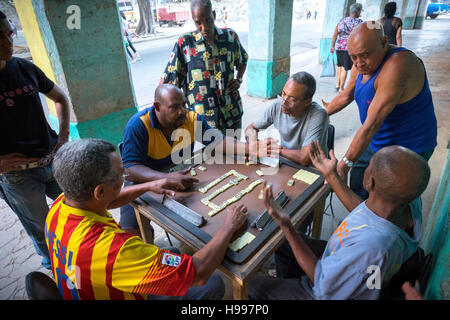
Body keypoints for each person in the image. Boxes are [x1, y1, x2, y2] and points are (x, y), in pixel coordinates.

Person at [46, 138, 249, 300]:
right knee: (213, 284)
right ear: (99, 191)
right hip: (125, 290)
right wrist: (228, 226)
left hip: (88, 285)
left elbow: (107, 201)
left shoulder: (61, 205)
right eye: (121, 175)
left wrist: (148, 185)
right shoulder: (115, 252)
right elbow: (199, 272)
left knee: (172, 252)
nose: (125, 174)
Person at [248, 142, 430, 300]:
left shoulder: (370, 248)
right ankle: (289, 281)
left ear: (369, 183)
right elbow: (368, 213)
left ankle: (294, 288)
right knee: (278, 240)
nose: (366, 165)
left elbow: (321, 283)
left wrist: (287, 225)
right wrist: (331, 175)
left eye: (370, 165)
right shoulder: (406, 200)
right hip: (342, 259)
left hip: (323, 290)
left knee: (250, 287)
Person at [119, 83, 280, 235]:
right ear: (157, 107)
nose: (182, 111)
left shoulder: (190, 119)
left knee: (204, 218)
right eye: (174, 107)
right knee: (131, 230)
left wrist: (250, 148)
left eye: (183, 104)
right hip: (142, 179)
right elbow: (130, 169)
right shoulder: (139, 125)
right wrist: (163, 178)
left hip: (176, 171)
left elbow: (219, 141)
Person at [324, 21, 437, 200]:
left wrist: (343, 165)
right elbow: (346, 96)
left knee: (389, 201)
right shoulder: (359, 63)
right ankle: (359, 224)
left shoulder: (399, 63)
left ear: (384, 42)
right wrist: (321, 114)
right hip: (376, 140)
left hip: (408, 146)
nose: (358, 63)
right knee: (360, 182)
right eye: (353, 57)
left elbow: (372, 124)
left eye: (365, 55)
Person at [0, 11, 70, 269]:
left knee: (81, 213)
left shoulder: (24, 67)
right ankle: (62, 278)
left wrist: (62, 138)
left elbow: (60, 98)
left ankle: (90, 264)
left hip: (54, 161)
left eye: (9, 33)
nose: (8, 41)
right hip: (18, 177)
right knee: (43, 234)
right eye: (0, 36)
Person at [160, 0, 248, 136]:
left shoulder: (230, 37)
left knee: (235, 152)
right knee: (213, 154)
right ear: (193, 21)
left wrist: (239, 79)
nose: (204, 27)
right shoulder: (185, 43)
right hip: (205, 118)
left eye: (208, 20)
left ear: (214, 14)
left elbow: (243, 59)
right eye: (198, 23)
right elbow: (169, 81)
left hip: (232, 111)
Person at [245, 72, 328, 167]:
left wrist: (276, 149)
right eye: (283, 94)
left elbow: (304, 158)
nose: (284, 102)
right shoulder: (277, 105)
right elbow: (250, 128)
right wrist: (254, 146)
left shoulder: (318, 115)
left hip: (311, 169)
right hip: (286, 162)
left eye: (292, 99)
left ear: (307, 101)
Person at [330, 3, 363, 92]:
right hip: (349, 47)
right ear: (358, 11)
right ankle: (341, 88)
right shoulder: (359, 22)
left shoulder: (342, 20)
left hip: (339, 46)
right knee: (345, 67)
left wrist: (332, 46)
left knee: (339, 66)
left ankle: (337, 84)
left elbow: (334, 35)